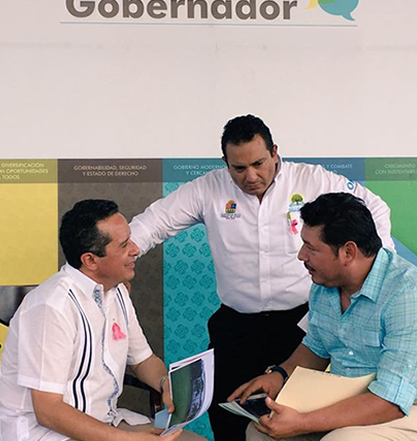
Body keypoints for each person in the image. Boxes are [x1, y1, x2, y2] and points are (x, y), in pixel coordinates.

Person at [129, 115, 394, 441]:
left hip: (301, 324)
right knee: (227, 411)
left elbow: (375, 209)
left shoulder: (312, 180)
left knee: (291, 421)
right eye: (238, 168)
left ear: (275, 153)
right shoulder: (208, 188)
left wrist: (375, 275)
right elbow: (152, 224)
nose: (251, 176)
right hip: (237, 325)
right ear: (225, 163)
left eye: (259, 163)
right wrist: (117, 262)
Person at [228, 193, 417, 441]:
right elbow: (315, 349)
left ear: (348, 252)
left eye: (311, 247)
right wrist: (279, 376)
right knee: (260, 434)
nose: (301, 255)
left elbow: (391, 402)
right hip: (354, 405)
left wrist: (303, 422)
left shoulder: (410, 296)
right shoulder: (324, 285)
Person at [0, 199, 205, 441]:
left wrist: (164, 382)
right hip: (47, 434)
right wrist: (125, 440)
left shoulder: (115, 292)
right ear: (91, 260)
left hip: (105, 422)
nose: (135, 249)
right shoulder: (51, 307)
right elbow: (48, 411)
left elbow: (143, 360)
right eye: (124, 245)